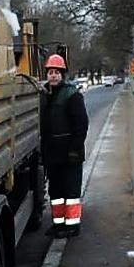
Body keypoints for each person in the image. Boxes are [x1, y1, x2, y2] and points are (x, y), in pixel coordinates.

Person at [40, 54, 89, 238]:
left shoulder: (72, 95)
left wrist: (75, 150)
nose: (53, 76)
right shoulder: (44, 95)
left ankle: (72, 226)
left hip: (70, 154)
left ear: (62, 74)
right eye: (50, 72)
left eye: (56, 73)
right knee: (56, 191)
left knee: (71, 191)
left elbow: (81, 124)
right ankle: (58, 224)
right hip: (52, 154)